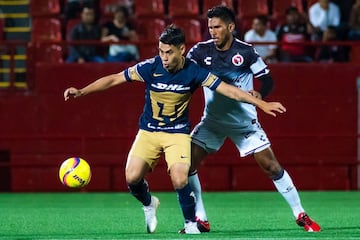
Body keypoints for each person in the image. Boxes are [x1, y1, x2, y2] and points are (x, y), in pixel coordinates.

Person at [63, 25, 286, 234]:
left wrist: (262, 103)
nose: (164, 57)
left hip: (177, 133)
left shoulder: (195, 72)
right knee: (132, 178)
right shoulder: (150, 67)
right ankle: (149, 203)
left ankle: (190, 224)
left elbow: (229, 90)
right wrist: (82, 91)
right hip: (149, 131)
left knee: (180, 178)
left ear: (182, 50)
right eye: (161, 51)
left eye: (169, 52)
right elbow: (114, 79)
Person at [184, 5, 321, 233]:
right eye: (210, 27)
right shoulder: (199, 52)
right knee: (186, 165)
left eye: (217, 27)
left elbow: (267, 79)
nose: (213, 31)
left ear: (230, 27)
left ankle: (300, 213)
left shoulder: (246, 52)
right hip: (212, 122)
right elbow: (184, 74)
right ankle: (200, 218)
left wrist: (261, 94)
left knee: (271, 167)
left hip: (243, 122)